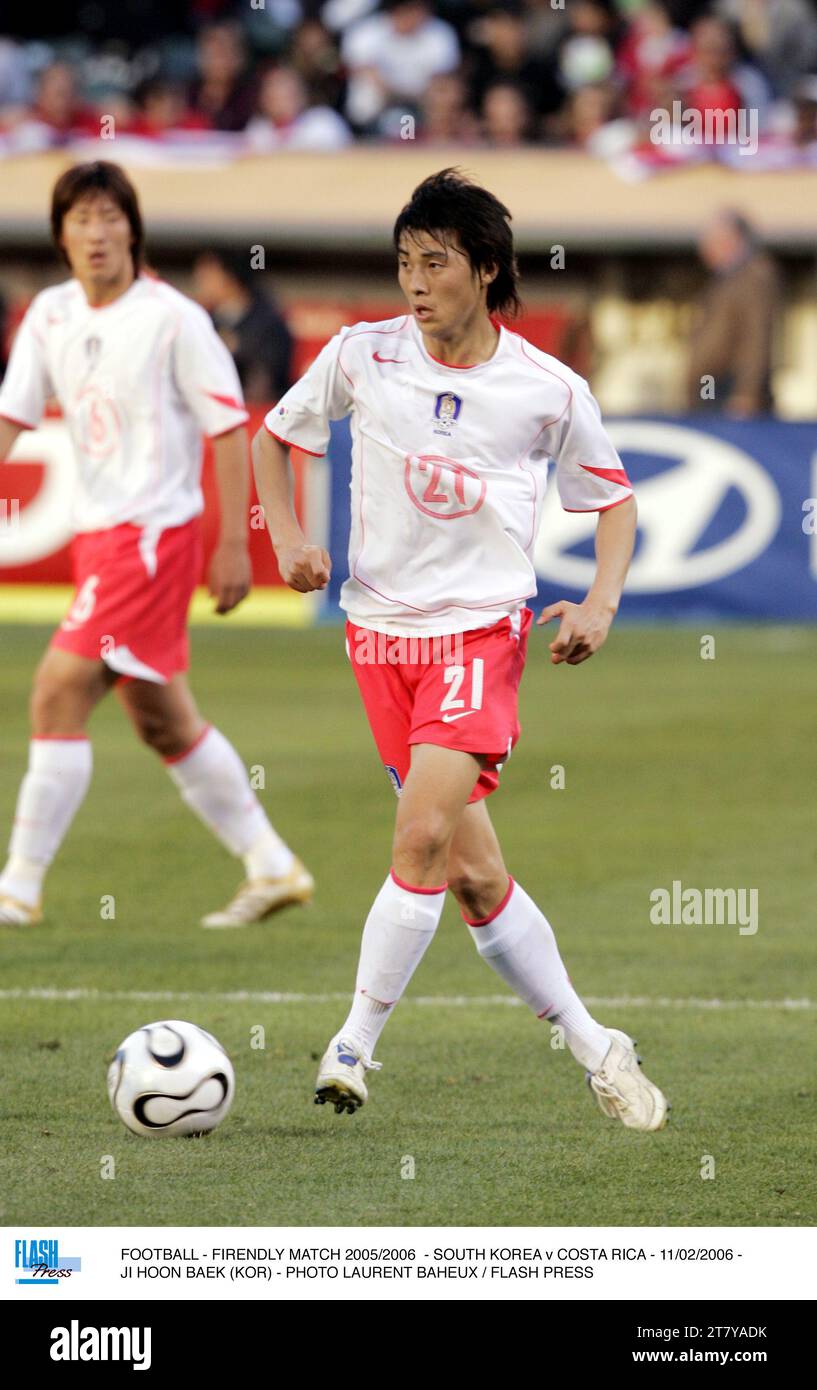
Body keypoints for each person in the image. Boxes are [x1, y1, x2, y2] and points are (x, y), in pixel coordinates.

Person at [252, 168, 669, 1131]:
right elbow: (273, 439)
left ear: (484, 270)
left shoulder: (543, 388)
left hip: (479, 634)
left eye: (434, 263)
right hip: (375, 636)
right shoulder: (363, 356)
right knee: (474, 875)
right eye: (403, 262)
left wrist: (600, 603)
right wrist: (286, 539)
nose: (414, 281)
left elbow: (612, 498)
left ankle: (352, 1045)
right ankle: (594, 1044)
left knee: (420, 838)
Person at [0, 161, 312, 929]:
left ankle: (17, 888)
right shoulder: (47, 315)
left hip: (152, 538)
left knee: (56, 692)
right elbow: (12, 419)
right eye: (80, 220)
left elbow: (228, 428)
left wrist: (238, 544)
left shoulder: (174, 318)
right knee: (161, 719)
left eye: (110, 217)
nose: (96, 233)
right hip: (97, 537)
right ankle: (272, 866)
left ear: (132, 229)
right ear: (61, 236)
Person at [688, 209, 779, 416]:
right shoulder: (725, 279)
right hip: (709, 380)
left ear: (731, 240)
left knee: (719, 430)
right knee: (705, 420)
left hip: (727, 384)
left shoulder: (753, 277)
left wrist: (746, 392)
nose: (704, 249)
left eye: (711, 241)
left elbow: (756, 338)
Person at [192, 246, 294, 404]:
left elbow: (269, 377)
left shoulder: (268, 321)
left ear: (230, 277)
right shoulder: (204, 321)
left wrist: (237, 349)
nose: (199, 281)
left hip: (263, 413)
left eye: (208, 276)